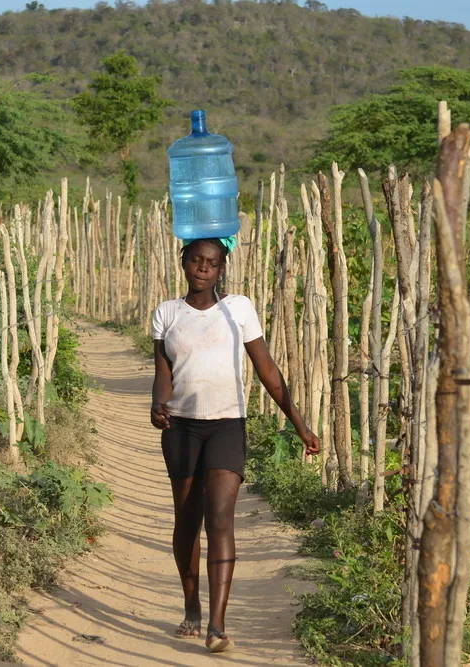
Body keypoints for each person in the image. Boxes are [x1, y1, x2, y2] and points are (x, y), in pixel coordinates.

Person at [150, 236, 320, 654]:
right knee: (187, 520)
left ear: (222, 268)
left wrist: (298, 423)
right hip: (182, 428)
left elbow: (268, 372)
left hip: (227, 424)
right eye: (196, 260)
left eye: (211, 262)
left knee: (221, 516)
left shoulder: (238, 310)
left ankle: (217, 625)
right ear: (184, 263)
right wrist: (157, 405)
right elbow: (163, 372)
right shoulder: (167, 314)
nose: (203, 268)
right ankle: (191, 605)